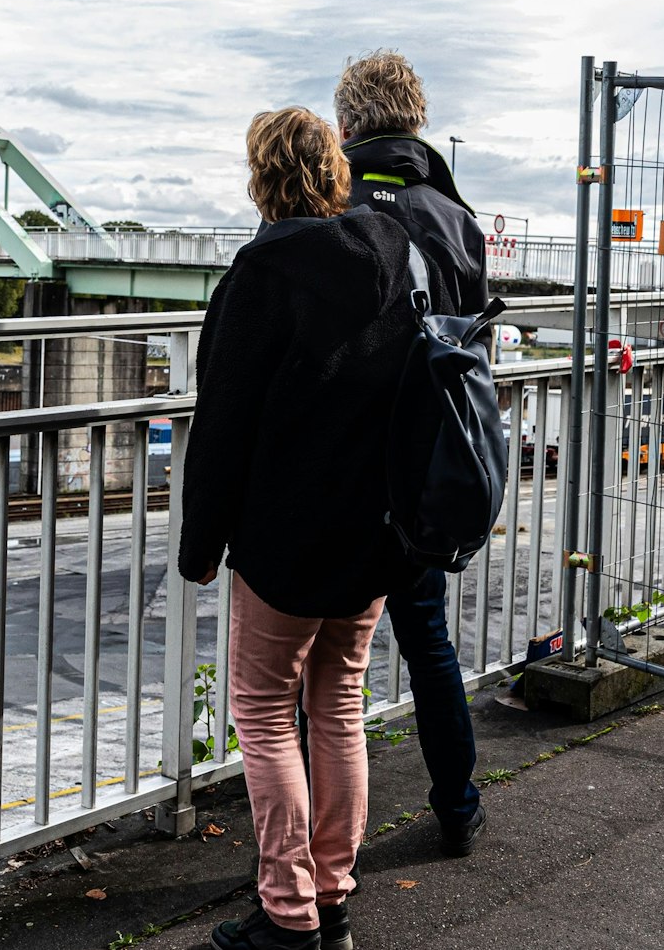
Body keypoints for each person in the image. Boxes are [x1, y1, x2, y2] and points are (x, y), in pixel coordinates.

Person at [179, 106, 421, 950]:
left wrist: (199, 546)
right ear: (334, 173)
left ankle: (286, 913)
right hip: (370, 536)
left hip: (283, 542)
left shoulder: (260, 275)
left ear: (262, 178)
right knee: (338, 704)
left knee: (264, 711)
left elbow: (222, 426)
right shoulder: (393, 259)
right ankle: (332, 895)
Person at [334, 49, 491, 858]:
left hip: (342, 467)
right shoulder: (454, 214)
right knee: (427, 639)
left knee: (324, 669)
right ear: (416, 120)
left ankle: (316, 851)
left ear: (349, 123)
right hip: (425, 464)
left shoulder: (333, 198)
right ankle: (458, 806)